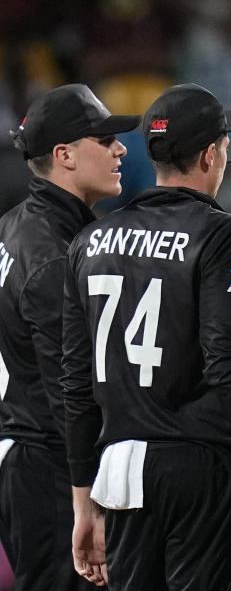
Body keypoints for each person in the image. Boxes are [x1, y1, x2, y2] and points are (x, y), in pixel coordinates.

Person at [61, 83, 231, 590]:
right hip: (199, 465)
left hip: (119, 469)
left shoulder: (89, 241)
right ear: (210, 155)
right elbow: (225, 360)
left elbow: (75, 383)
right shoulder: (220, 231)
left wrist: (83, 501)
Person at [0, 84, 139, 589]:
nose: (120, 148)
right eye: (104, 140)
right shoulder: (54, 258)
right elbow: (71, 394)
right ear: (64, 155)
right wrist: (91, 499)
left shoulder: (15, 226)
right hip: (51, 466)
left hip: (27, 452)